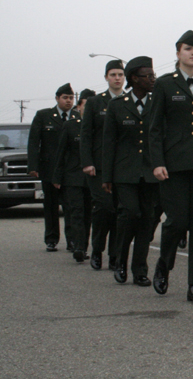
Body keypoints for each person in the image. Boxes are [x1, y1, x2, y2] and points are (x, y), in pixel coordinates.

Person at [150, 30, 193, 304]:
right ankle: (164, 264)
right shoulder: (164, 84)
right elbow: (153, 128)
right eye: (188, 49)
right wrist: (157, 162)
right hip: (173, 166)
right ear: (178, 53)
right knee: (176, 223)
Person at [102, 56, 159, 287]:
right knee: (129, 215)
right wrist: (107, 177)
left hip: (150, 172)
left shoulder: (157, 103)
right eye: (148, 76)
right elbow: (109, 143)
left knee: (147, 220)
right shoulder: (117, 105)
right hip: (124, 173)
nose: (153, 79)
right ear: (135, 78)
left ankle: (140, 270)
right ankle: (120, 262)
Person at [81, 60, 125, 270]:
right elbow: (86, 135)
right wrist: (87, 162)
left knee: (119, 210)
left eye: (120, 74)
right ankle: (97, 249)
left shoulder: (129, 100)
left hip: (121, 165)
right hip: (98, 166)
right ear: (106, 77)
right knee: (104, 208)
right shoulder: (95, 102)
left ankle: (115, 255)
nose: (117, 78)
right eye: (113, 74)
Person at [28, 83, 78, 252]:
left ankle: (72, 240)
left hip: (70, 170)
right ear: (57, 99)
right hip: (49, 169)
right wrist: (33, 166)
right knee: (50, 206)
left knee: (71, 206)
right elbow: (34, 143)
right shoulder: (44, 116)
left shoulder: (78, 117)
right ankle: (51, 239)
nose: (69, 101)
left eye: (71, 98)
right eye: (65, 98)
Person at [53, 89, 96, 263]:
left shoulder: (99, 125)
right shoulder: (70, 125)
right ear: (79, 106)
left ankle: (83, 245)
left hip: (92, 178)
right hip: (73, 177)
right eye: (86, 105)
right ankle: (78, 246)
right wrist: (57, 177)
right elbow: (61, 153)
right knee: (77, 212)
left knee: (88, 215)